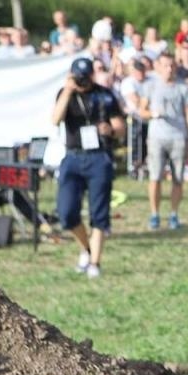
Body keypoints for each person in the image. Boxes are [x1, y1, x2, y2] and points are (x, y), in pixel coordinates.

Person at [52, 57, 124, 278]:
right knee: (67, 212)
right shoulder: (65, 94)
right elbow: (55, 119)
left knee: (99, 212)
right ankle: (86, 247)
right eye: (78, 76)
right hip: (73, 156)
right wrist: (68, 90)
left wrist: (110, 130)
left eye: (86, 76)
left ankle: (95, 263)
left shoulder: (105, 95)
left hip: (98, 157)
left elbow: (121, 127)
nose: (83, 81)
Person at [138, 53, 188, 230]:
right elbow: (142, 110)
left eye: (172, 65)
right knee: (155, 177)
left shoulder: (182, 87)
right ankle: (154, 214)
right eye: (166, 65)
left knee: (178, 178)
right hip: (157, 137)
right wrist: (153, 114)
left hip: (178, 136)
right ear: (159, 67)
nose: (169, 69)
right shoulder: (151, 86)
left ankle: (174, 214)